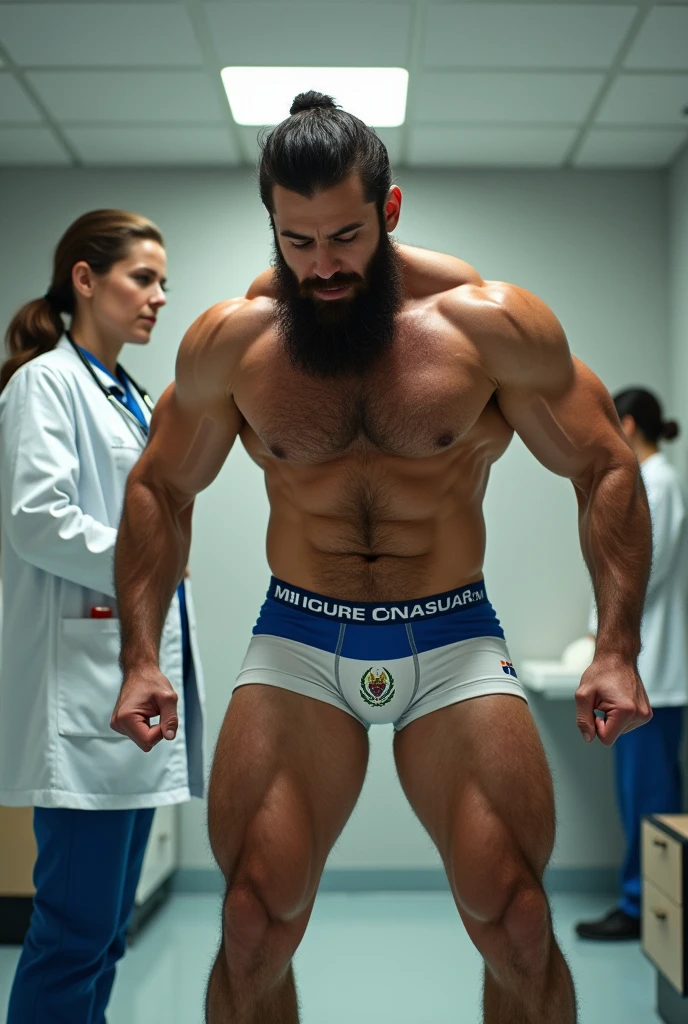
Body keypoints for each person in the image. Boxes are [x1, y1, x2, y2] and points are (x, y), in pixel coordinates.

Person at [111, 92, 652, 1024]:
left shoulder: (485, 325)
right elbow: (159, 488)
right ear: (274, 226)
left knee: (517, 920)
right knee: (251, 921)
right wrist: (140, 657)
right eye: (298, 241)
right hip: (300, 640)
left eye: (346, 236)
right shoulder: (234, 344)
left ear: (389, 212)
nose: (323, 266)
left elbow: (604, 463)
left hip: (453, 642)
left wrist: (616, 646)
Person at [0, 209, 206, 1023]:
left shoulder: (128, 394)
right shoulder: (45, 383)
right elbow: (36, 518)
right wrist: (149, 557)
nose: (159, 297)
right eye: (142, 278)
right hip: (82, 695)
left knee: (105, 934)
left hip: (124, 687)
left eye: (163, 283)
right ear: (85, 279)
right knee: (71, 932)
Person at [576, 389, 687, 942]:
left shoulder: (657, 484)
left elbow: (642, 569)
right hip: (649, 668)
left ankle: (643, 905)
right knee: (642, 794)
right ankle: (644, 900)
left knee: (650, 799)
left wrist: (605, 635)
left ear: (627, 422)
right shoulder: (652, 481)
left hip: (655, 675)